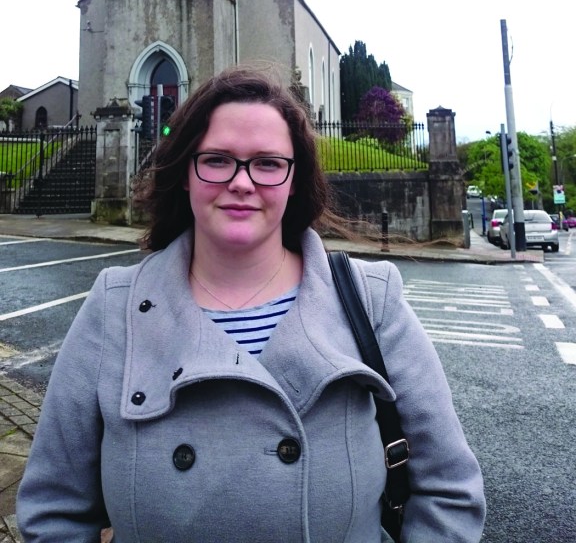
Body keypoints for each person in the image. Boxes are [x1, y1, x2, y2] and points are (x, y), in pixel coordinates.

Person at [17, 67, 486, 543]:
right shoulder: (113, 307)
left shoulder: (372, 299)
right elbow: (55, 510)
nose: (242, 182)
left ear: (293, 179)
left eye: (267, 163)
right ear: (186, 174)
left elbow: (448, 491)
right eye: (217, 160)